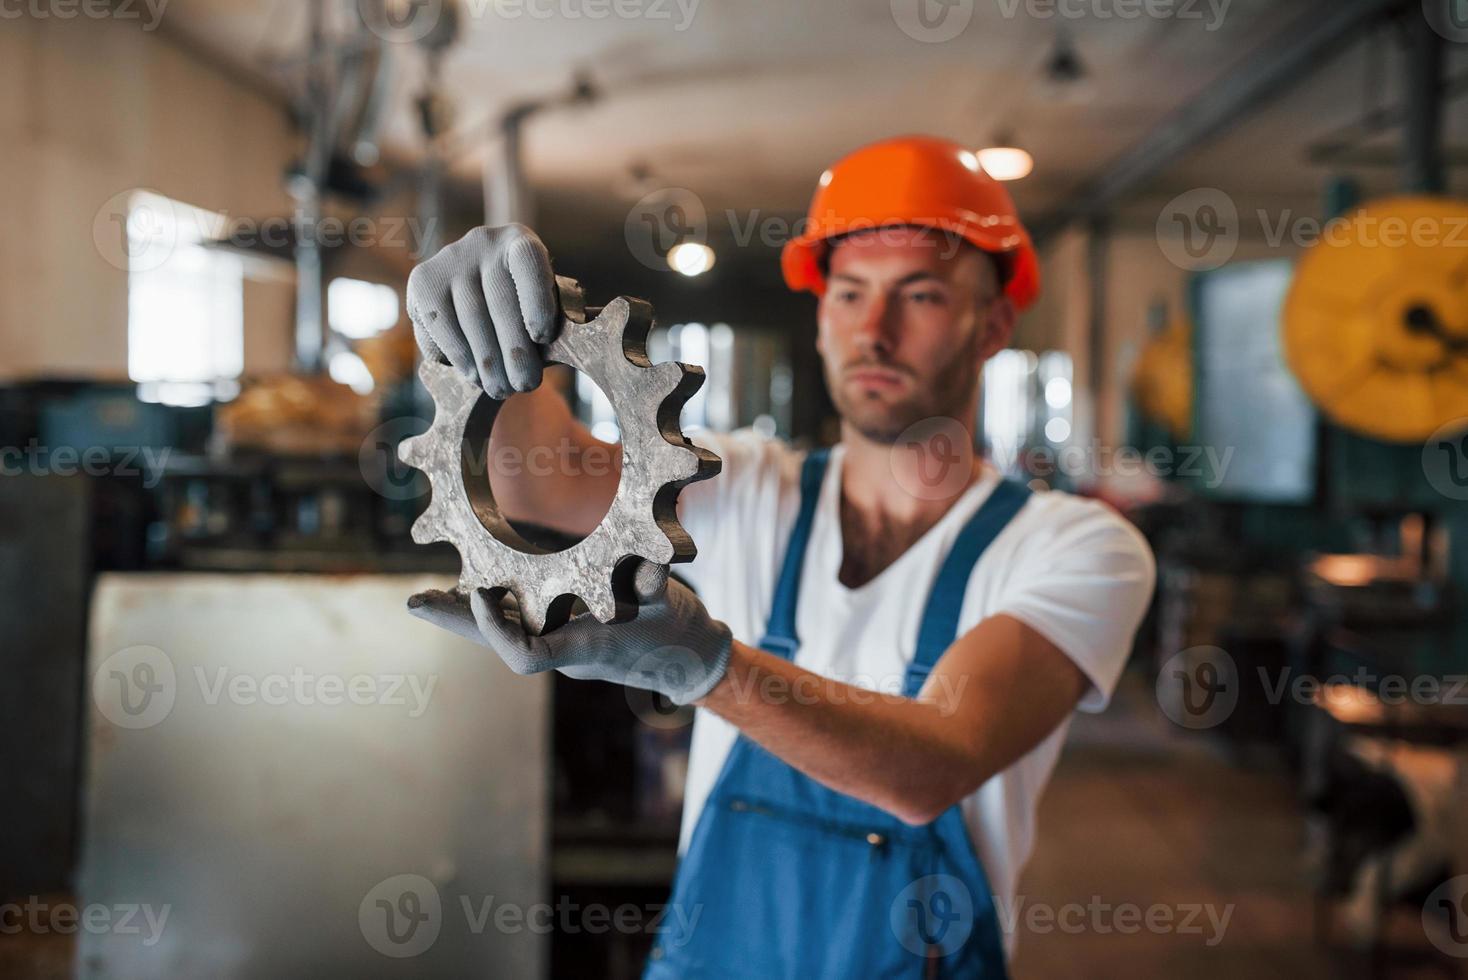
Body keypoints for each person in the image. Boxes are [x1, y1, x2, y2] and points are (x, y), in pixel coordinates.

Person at [406, 135, 1155, 976]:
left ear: (994, 324)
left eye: (921, 295)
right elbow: (543, 486)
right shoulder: (750, 484)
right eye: (850, 293)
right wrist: (480, 348)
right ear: (822, 313)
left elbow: (937, 761)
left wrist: (710, 670)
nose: (875, 330)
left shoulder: (1077, 546)